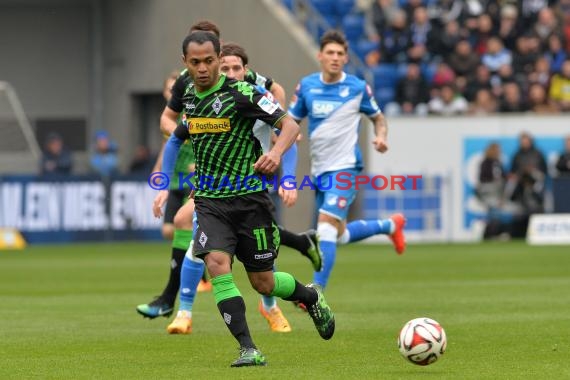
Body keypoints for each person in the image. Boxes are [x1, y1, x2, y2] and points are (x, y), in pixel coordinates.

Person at [160, 31, 334, 367]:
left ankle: (311, 296)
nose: (202, 68)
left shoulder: (243, 93)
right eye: (195, 63)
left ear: (218, 58)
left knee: (263, 282)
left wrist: (276, 154)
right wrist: (163, 184)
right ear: (186, 63)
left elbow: (290, 126)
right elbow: (174, 136)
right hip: (210, 201)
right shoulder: (189, 99)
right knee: (216, 264)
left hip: (250, 201)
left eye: (209, 61)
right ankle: (248, 348)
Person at [288, 30, 406, 291]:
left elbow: (378, 117)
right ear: (320, 56)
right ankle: (389, 225)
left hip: (345, 168)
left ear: (345, 58)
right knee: (337, 235)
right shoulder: (307, 86)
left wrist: (381, 137)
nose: (335, 57)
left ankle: (316, 291)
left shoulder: (357, 87)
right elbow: (290, 121)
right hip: (319, 171)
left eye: (340, 54)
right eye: (330, 52)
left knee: (326, 227)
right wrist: (286, 136)